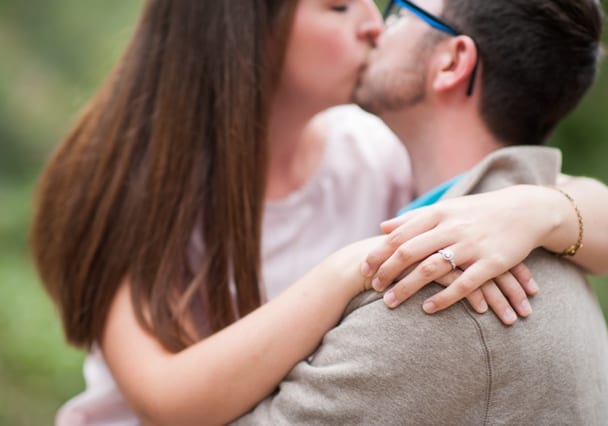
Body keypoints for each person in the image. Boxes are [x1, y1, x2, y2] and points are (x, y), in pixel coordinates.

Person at [30, 0, 608, 424]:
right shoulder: (129, 189)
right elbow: (167, 398)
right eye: (336, 7)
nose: (372, 23)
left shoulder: (370, 152)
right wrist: (347, 269)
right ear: (247, 29)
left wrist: (539, 210)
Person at [233, 0, 608, 424]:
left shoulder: (437, 289)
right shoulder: (538, 230)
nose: (375, 27)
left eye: (398, 12)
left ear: (452, 62)